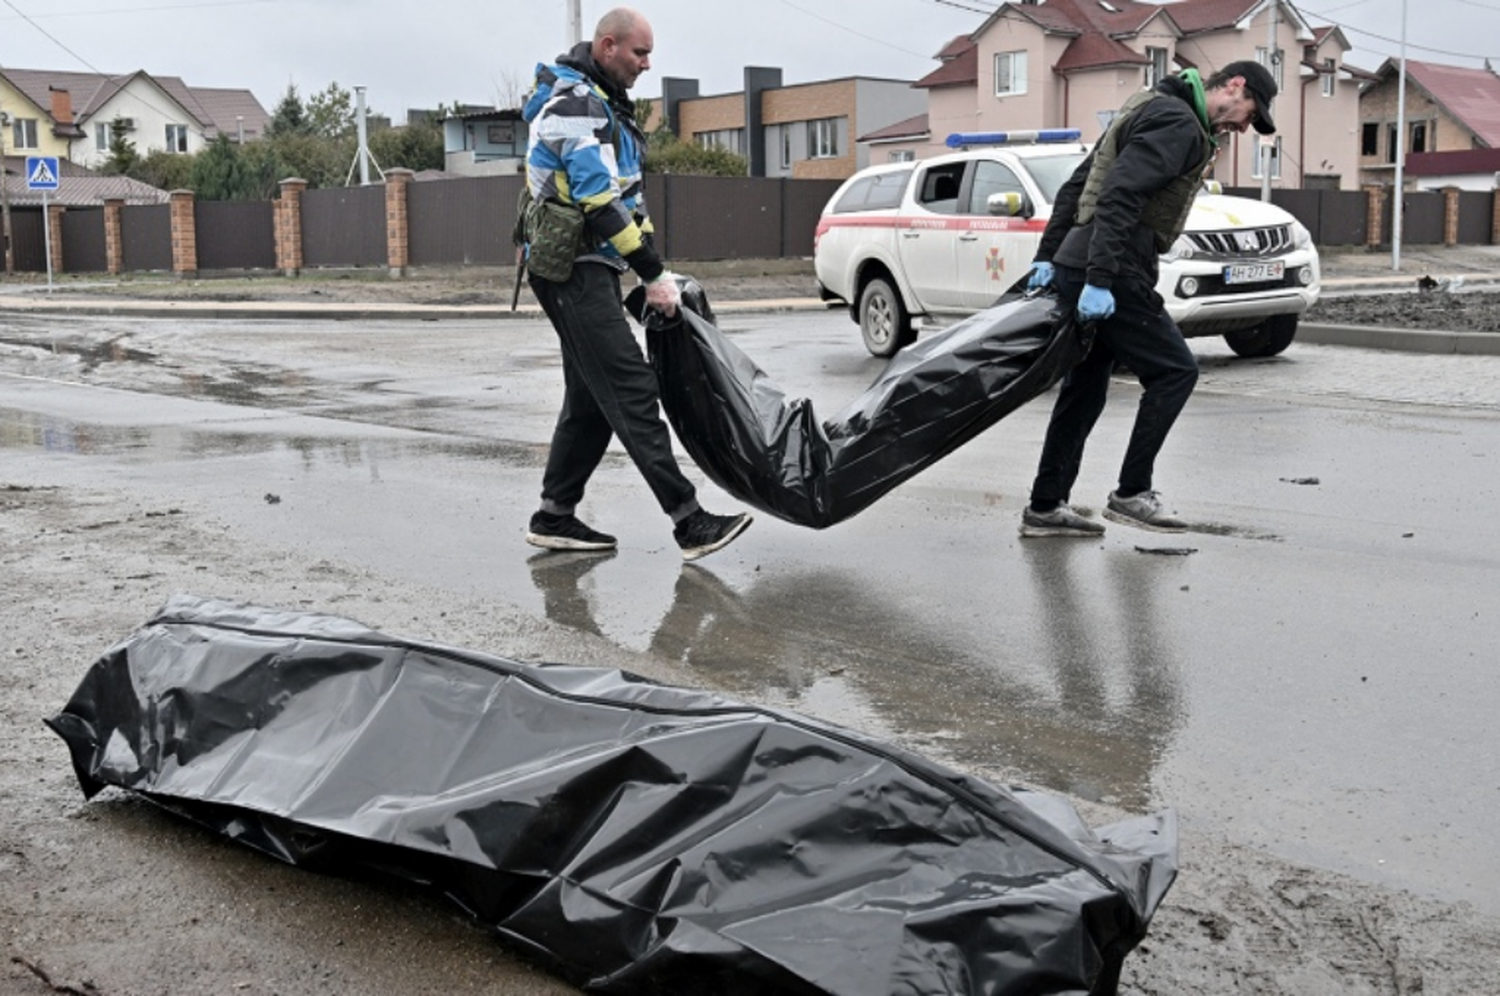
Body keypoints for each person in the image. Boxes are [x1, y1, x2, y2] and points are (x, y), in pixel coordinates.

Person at [519, 7, 752, 562]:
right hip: (570, 269)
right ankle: (688, 520)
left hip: (590, 265)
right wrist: (650, 272)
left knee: (591, 398)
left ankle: (554, 516)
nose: (648, 64)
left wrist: (655, 271)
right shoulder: (575, 106)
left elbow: (629, 202)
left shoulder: (606, 107)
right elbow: (598, 203)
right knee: (630, 386)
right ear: (606, 47)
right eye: (639, 53)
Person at [1020, 61, 1277, 538]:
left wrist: (1052, 256)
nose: (1244, 126)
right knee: (1175, 371)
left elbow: (1079, 184)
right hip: (1113, 266)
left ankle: (1045, 506)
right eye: (1249, 112)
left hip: (1089, 260)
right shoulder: (1178, 123)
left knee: (1085, 388)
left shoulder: (1147, 105)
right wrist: (1099, 277)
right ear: (1234, 86)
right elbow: (1118, 194)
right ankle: (1132, 494)